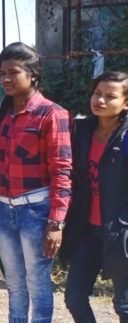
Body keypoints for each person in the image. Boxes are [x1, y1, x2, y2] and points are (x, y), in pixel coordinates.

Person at [0, 42, 71, 323]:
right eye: (2, 73)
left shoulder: (51, 114)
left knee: (37, 285)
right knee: (14, 285)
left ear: (32, 74)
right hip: (2, 211)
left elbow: (62, 171)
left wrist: (56, 222)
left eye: (13, 72)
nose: (6, 79)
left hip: (36, 212)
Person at [61, 71, 128, 323]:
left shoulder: (126, 137)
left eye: (110, 96)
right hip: (87, 231)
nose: (100, 100)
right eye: (97, 93)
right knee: (75, 298)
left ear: (126, 103)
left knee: (124, 305)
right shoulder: (81, 132)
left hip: (121, 232)